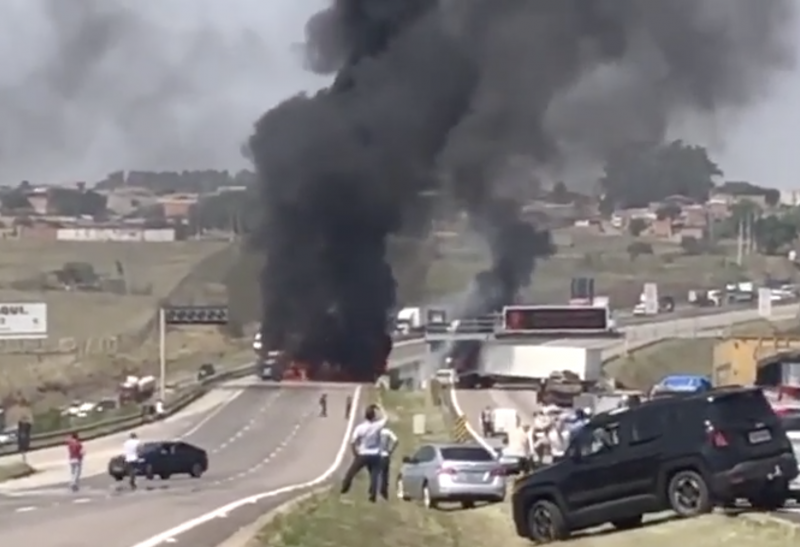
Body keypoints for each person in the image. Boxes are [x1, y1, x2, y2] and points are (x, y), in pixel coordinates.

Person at [340, 403, 386, 502]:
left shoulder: (360, 428)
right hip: (375, 454)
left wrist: (355, 453)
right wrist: (380, 407)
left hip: (363, 453)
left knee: (351, 472)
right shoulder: (377, 426)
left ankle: (344, 487)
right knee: (374, 475)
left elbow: (353, 441)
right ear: (374, 416)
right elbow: (386, 418)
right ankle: (372, 495)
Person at [377, 426, 399, 500]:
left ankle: (378, 490)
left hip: (378, 455)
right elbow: (396, 441)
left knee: (378, 473)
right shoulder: (388, 432)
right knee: (385, 474)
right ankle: (384, 491)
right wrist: (391, 450)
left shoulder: (376, 432)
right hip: (386, 455)